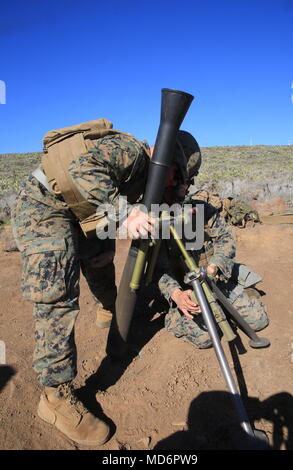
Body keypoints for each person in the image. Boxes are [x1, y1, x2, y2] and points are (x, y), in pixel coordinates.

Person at [11, 120, 156, 446]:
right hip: (43, 206)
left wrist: (107, 236)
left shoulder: (138, 165)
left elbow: (93, 199)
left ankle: (110, 315)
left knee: (100, 261)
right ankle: (56, 398)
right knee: (57, 293)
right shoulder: (130, 151)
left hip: (78, 209)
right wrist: (126, 214)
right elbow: (81, 172)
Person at [153, 131, 269, 349]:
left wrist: (215, 267)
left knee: (258, 320)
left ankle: (224, 305)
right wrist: (176, 294)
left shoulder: (202, 209)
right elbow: (158, 268)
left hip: (214, 282)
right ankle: (173, 318)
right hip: (185, 291)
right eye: (182, 182)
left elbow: (225, 240)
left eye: (189, 182)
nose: (187, 188)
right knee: (207, 337)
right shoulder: (154, 218)